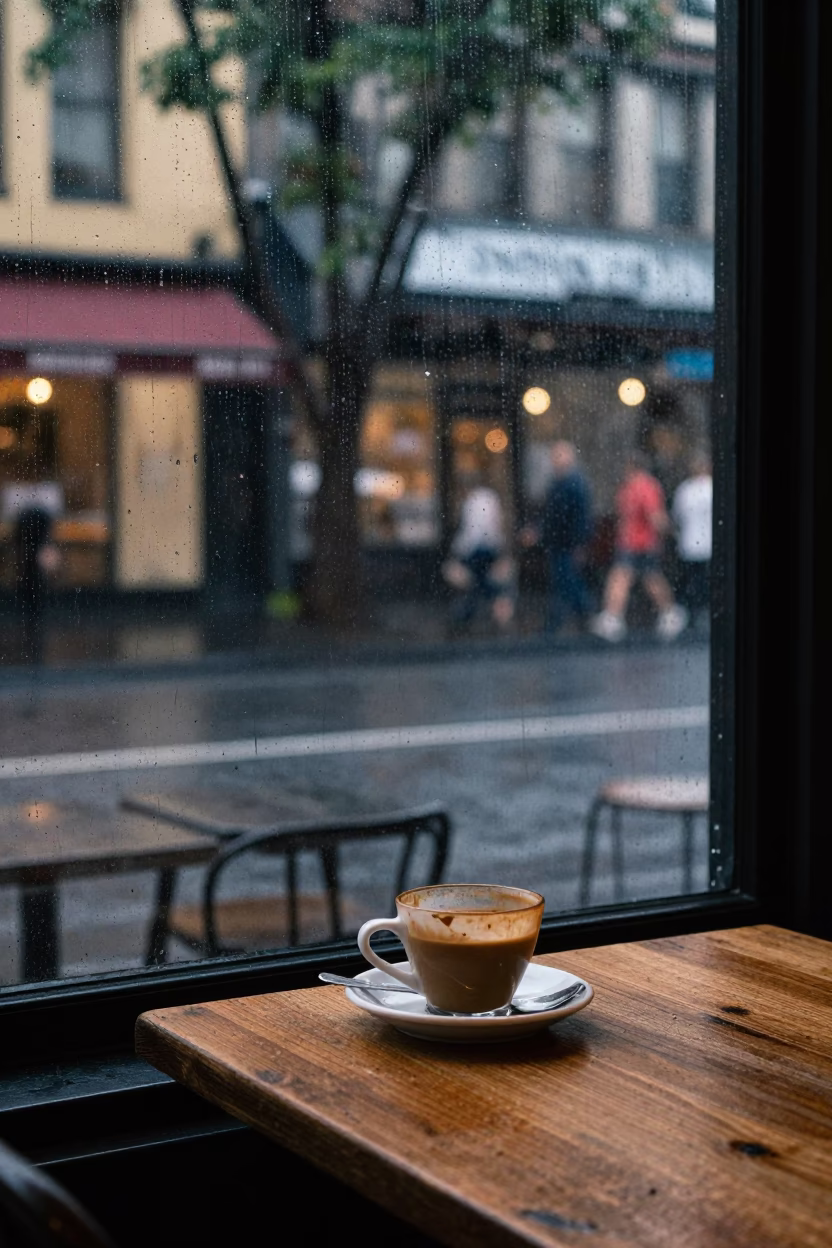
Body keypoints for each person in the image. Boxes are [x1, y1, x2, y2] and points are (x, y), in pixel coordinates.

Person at [591, 451, 688, 643]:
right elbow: (654, 517)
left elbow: (652, 516)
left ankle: (614, 617)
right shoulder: (642, 486)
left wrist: (666, 530)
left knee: (627, 578)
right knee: (647, 578)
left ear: (632, 467)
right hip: (641, 542)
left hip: (635, 542)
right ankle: (668, 613)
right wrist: (670, 532)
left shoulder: (638, 487)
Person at [536, 440, 594, 636]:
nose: (555, 460)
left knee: (566, 582)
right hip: (559, 542)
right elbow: (553, 514)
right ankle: (581, 618)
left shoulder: (573, 483)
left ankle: (563, 622)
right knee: (565, 582)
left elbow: (578, 517)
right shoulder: (560, 482)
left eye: (559, 455)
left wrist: (579, 543)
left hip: (566, 543)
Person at [446, 475, 513, 630]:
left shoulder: (472, 501)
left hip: (477, 550)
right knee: (492, 586)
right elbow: (495, 526)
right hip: (490, 548)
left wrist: (457, 554)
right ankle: (497, 618)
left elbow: (471, 533)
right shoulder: (491, 498)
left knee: (474, 585)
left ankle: (466, 617)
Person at [672, 450, 712, 631]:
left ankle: (695, 613)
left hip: (689, 543)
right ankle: (703, 612)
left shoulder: (685, 489)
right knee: (706, 581)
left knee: (692, 581)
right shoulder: (713, 488)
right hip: (708, 544)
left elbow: (677, 516)